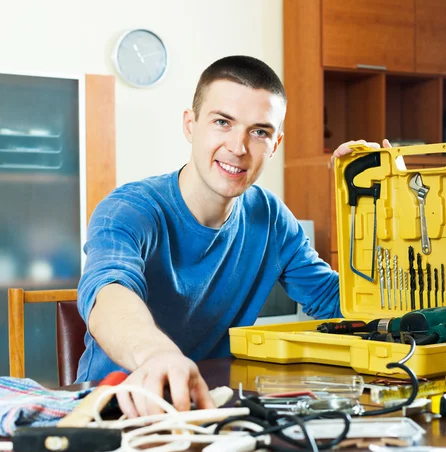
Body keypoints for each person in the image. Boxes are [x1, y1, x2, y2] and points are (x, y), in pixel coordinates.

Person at [76, 54, 383, 417]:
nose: (238, 147)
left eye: (259, 132)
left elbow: (341, 304)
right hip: (116, 409)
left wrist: (374, 210)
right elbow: (109, 295)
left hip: (215, 409)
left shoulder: (270, 218)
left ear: (275, 143)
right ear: (190, 125)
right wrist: (159, 357)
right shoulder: (129, 209)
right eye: (223, 122)